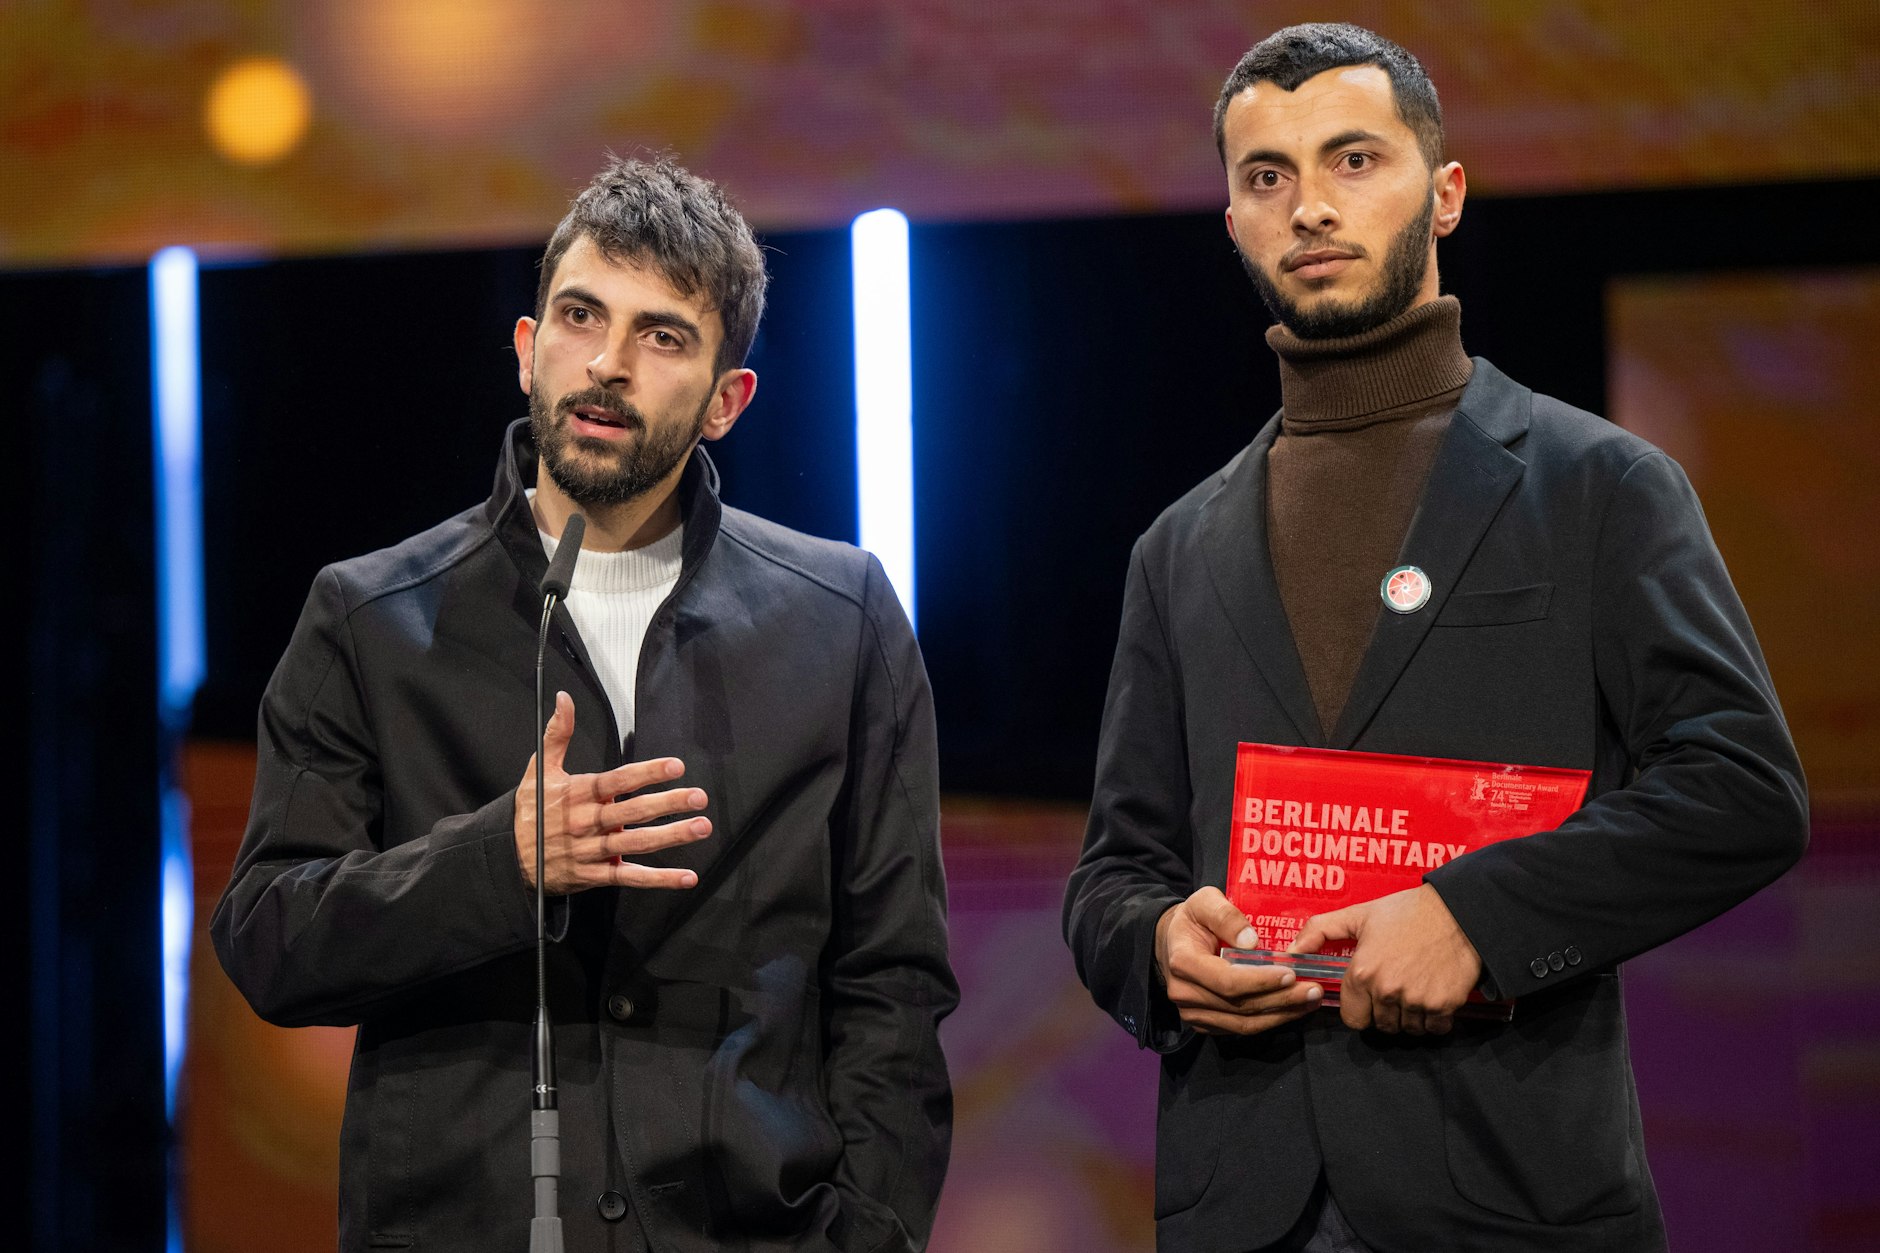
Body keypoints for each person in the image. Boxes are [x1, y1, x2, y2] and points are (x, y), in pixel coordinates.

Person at [1062, 23, 1806, 1253]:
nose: (1309, 206)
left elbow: (1741, 789)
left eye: (1352, 160)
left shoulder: (1599, 486)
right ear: (1234, 221)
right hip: (1242, 1205)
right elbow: (1113, 869)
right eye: (1267, 176)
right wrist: (1151, 946)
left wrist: (1473, 916)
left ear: (1443, 192)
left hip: (1510, 1192)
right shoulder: (1177, 546)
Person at [212, 156, 956, 1253]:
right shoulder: (368, 617)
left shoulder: (840, 618)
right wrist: (496, 861)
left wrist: (868, 1235)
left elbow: (893, 979)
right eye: (580, 316)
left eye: (663, 335)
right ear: (526, 348)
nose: (607, 363)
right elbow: (271, 939)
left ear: (726, 401)